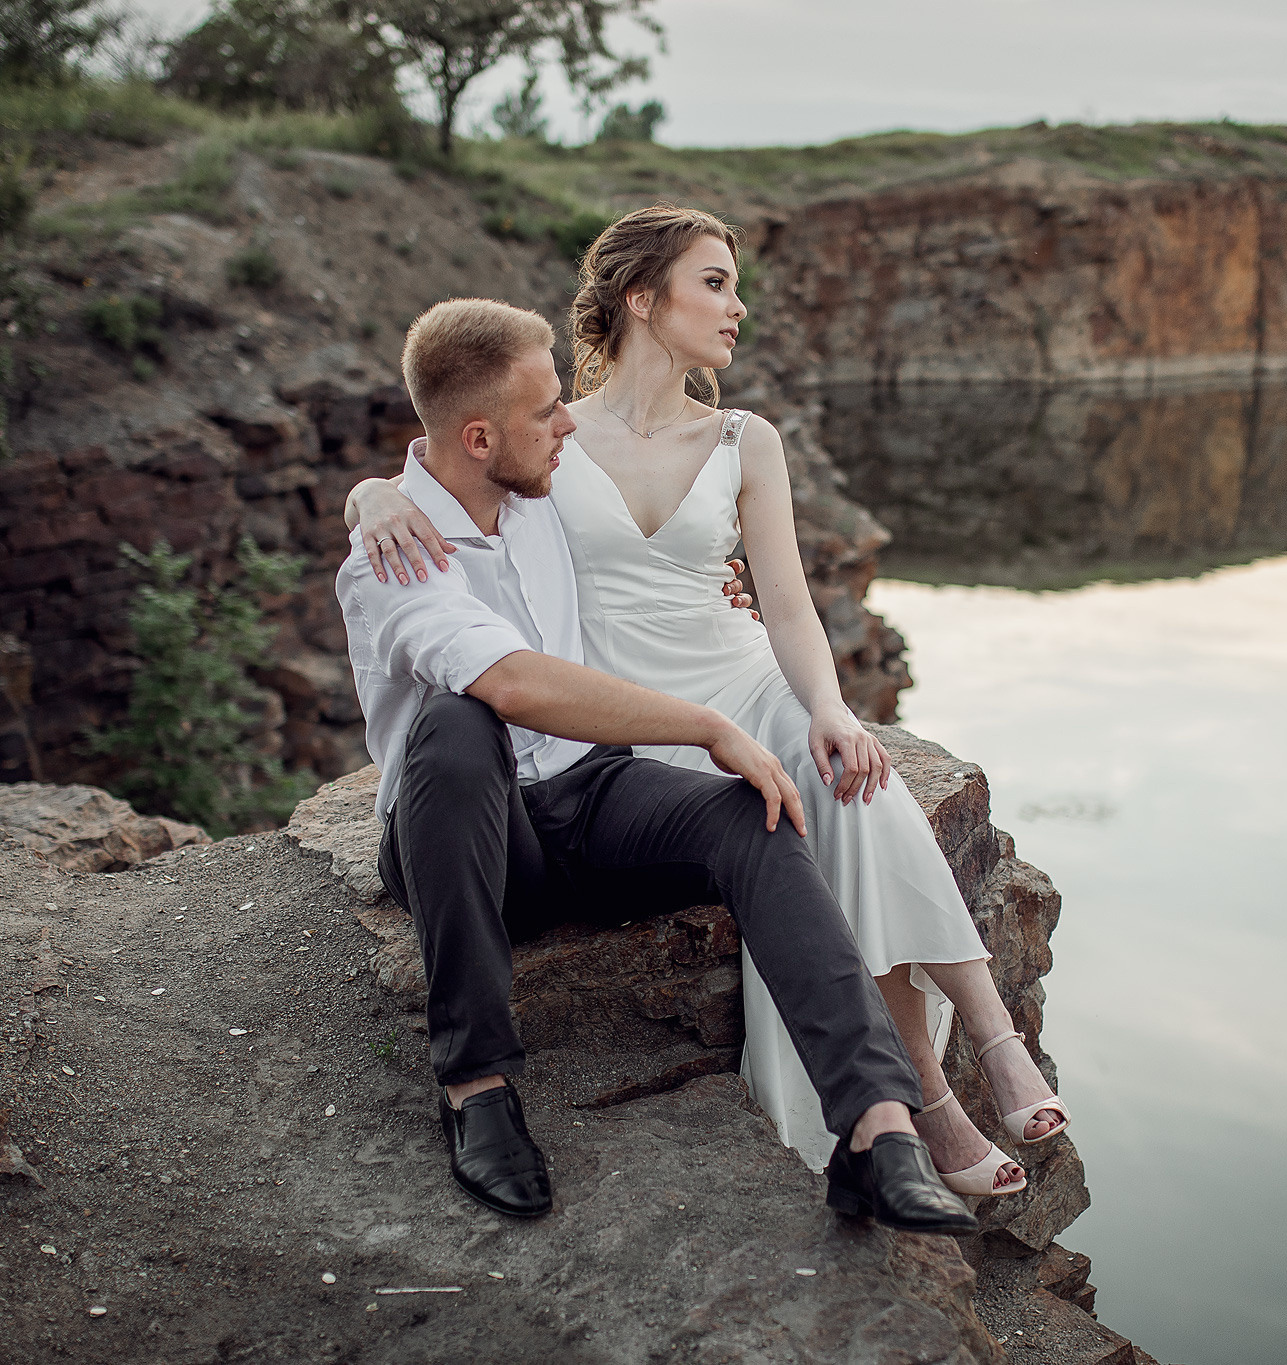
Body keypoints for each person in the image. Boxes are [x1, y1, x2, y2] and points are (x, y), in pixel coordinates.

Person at [345, 207, 1068, 1197]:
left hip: (602, 782)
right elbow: (488, 613)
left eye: (560, 402)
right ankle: (477, 1089)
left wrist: (783, 683)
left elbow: (755, 589)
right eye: (715, 282)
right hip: (487, 824)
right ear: (642, 300)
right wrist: (370, 499)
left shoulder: (541, 477)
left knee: (780, 799)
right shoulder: (436, 531)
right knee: (458, 722)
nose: (562, 424)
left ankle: (881, 1124)